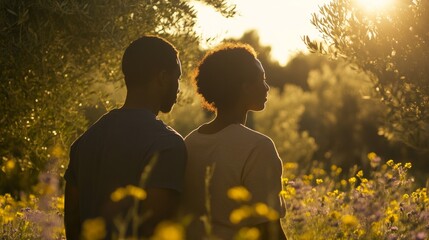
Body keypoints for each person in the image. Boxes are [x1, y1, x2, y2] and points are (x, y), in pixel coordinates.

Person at [64, 36, 187, 239]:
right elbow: (154, 229)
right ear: (163, 77)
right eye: (178, 77)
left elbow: (72, 219)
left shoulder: (85, 141)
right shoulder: (166, 144)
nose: (179, 88)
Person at [182, 43, 286, 239]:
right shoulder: (258, 147)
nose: (267, 87)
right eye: (261, 79)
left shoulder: (190, 142)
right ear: (244, 87)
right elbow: (269, 230)